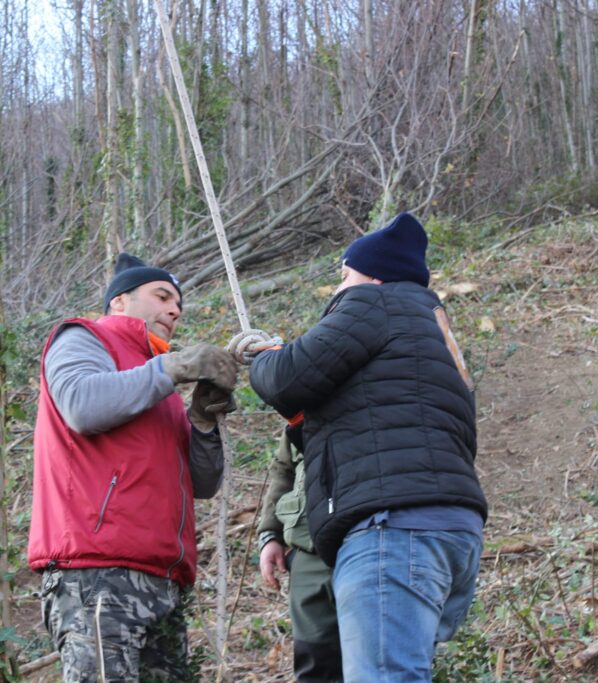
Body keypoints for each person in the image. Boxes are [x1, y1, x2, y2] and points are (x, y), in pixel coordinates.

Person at [237, 213, 487, 682]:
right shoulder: (432, 333)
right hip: (452, 532)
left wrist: (263, 358)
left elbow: (287, 378)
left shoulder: (375, 302)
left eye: (344, 275)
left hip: (392, 531)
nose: (339, 288)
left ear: (372, 274)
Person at [28, 252, 238, 682]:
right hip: (95, 572)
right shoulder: (84, 338)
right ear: (119, 302)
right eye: (161, 296)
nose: (174, 310)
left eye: (178, 305)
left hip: (162, 577)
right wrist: (171, 367)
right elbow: (83, 406)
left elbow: (203, 482)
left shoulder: (156, 384)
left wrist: (201, 423)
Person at [257, 423, 343, 682]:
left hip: (370, 541)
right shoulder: (303, 393)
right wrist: (270, 534)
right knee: (314, 663)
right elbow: (284, 469)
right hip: (307, 549)